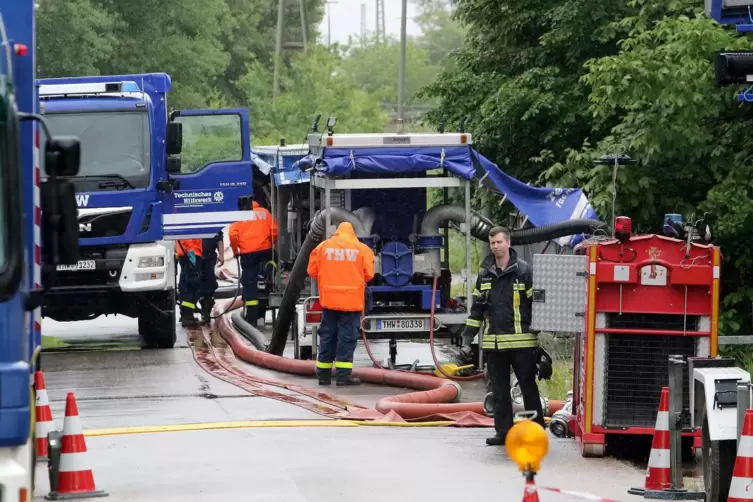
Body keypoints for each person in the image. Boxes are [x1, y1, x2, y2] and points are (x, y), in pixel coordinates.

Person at [460, 226, 545, 446]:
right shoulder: (485, 275)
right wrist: (467, 339)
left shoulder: (524, 272)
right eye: (492, 243)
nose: (496, 246)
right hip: (494, 345)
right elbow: (476, 311)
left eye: (499, 242)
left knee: (528, 389)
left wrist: (539, 332)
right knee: (499, 391)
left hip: (522, 344)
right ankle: (503, 432)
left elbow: (538, 305)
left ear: (508, 243)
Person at [307, 222, 375, 387]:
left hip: (329, 301)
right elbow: (369, 274)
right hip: (351, 303)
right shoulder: (362, 249)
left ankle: (323, 375)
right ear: (353, 233)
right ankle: (343, 377)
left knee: (327, 336)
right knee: (347, 338)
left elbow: (312, 270)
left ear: (337, 232)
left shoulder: (323, 247)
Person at [229, 199, 278, 325]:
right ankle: (268, 276)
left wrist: (236, 251)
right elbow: (274, 230)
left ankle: (252, 318)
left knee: (249, 283)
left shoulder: (238, 216)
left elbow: (233, 236)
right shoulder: (264, 213)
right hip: (265, 251)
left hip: (248, 254)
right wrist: (270, 243)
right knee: (271, 264)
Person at [176, 238, 204, 328]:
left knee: (185, 285)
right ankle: (187, 317)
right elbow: (186, 237)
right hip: (190, 254)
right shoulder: (185, 224)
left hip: (187, 254)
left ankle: (186, 314)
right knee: (191, 286)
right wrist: (192, 255)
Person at [198, 231, 225, 323]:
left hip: (209, 256)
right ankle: (204, 307)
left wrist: (221, 255)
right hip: (197, 256)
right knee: (198, 282)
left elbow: (219, 238)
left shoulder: (212, 220)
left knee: (209, 282)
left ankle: (207, 307)